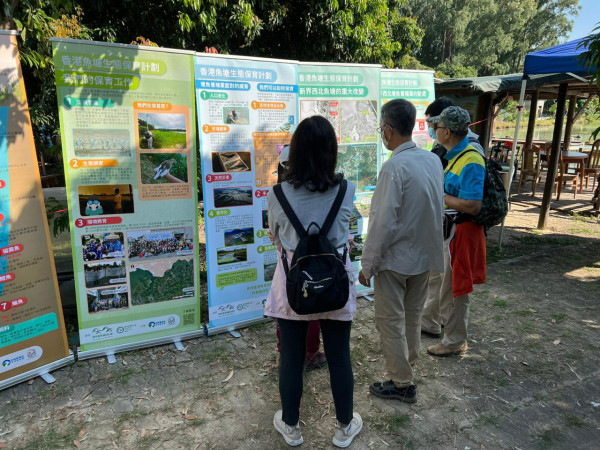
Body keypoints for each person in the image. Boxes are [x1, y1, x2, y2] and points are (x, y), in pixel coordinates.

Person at [264, 116, 362, 448]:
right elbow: (345, 231)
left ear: (297, 152)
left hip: (294, 284)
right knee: (339, 356)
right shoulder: (347, 189)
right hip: (335, 283)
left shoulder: (276, 194)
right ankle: (344, 427)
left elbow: (274, 237)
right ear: (331, 152)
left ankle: (291, 427)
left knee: (291, 357)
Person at [358, 99, 444, 404]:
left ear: (388, 129)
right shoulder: (432, 160)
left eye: (383, 128)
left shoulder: (394, 166)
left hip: (395, 260)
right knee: (411, 316)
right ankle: (407, 368)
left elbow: (382, 222)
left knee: (390, 321)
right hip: (424, 256)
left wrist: (367, 265)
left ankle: (402, 382)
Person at [424, 106, 486, 357]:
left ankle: (454, 341)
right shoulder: (456, 155)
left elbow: (473, 205)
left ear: (447, 132)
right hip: (451, 232)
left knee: (456, 289)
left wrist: (443, 197)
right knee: (442, 283)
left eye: (436, 128)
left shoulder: (471, 160)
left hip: (462, 234)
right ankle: (439, 326)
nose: (433, 131)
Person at [273, 144, 327, 372]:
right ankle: (309, 354)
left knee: (285, 309)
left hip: (288, 264)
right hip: (316, 265)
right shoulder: (323, 191)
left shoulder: (278, 194)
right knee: (311, 311)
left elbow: (274, 235)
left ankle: (286, 353)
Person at [425, 97, 484, 169]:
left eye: (431, 125)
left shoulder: (472, 153)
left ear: (447, 131)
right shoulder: (443, 144)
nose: (431, 129)